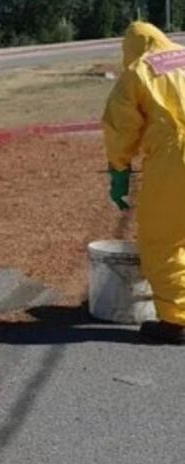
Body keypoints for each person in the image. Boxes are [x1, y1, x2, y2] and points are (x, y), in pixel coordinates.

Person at [103, 21, 185, 344]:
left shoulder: (138, 71)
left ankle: (177, 320)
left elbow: (120, 127)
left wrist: (119, 172)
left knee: (162, 241)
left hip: (174, 160)